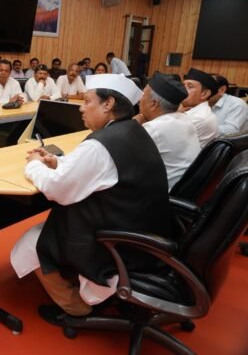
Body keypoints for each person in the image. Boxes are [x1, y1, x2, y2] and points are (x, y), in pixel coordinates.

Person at [11, 73, 171, 324]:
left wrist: (33, 164)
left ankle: (76, 308)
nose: (81, 108)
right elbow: (98, 169)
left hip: (117, 241)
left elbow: (56, 189)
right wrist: (58, 162)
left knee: (30, 242)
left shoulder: (101, 144)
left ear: (108, 104)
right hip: (143, 232)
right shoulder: (131, 131)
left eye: (87, 101)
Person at [134, 72, 201, 190]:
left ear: (154, 103)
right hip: (187, 188)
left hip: (164, 193)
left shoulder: (154, 128)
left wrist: (134, 123)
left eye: (143, 95)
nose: (139, 100)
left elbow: (123, 158)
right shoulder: (185, 118)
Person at [179, 68, 219, 147]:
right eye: (183, 85)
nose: (182, 89)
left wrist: (175, 114)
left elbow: (161, 135)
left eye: (190, 86)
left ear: (204, 94)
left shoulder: (199, 117)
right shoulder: (192, 109)